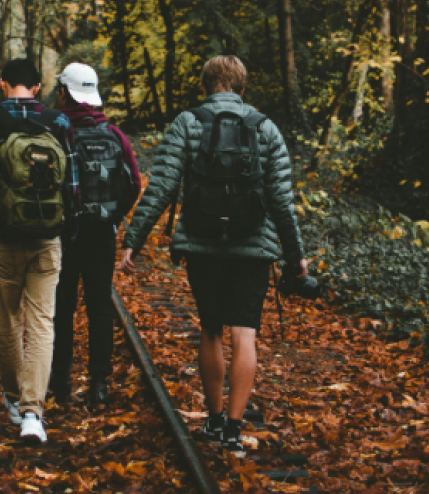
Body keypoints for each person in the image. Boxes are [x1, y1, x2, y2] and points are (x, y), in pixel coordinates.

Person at [120, 55, 308, 457]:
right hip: (254, 246)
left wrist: (133, 239)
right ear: (242, 88)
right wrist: (296, 258)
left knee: (210, 329)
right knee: (245, 333)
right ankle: (235, 429)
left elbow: (163, 186)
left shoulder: (187, 123)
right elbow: (281, 200)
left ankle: (215, 417)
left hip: (203, 243)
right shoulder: (266, 128)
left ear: (205, 87)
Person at [0, 58, 81, 444]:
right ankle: (34, 413)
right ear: (37, 87)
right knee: (42, 325)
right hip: (47, 238)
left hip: (1, 238)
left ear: (2, 84)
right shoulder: (59, 122)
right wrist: (66, 227)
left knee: (8, 324)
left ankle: (14, 401)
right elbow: (73, 185)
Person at [50, 63, 141, 406]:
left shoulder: (57, 133)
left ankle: (60, 383)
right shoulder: (114, 135)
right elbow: (133, 182)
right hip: (102, 233)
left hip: (64, 234)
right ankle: (98, 384)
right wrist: (114, 216)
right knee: (100, 306)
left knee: (63, 307)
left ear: (64, 93)